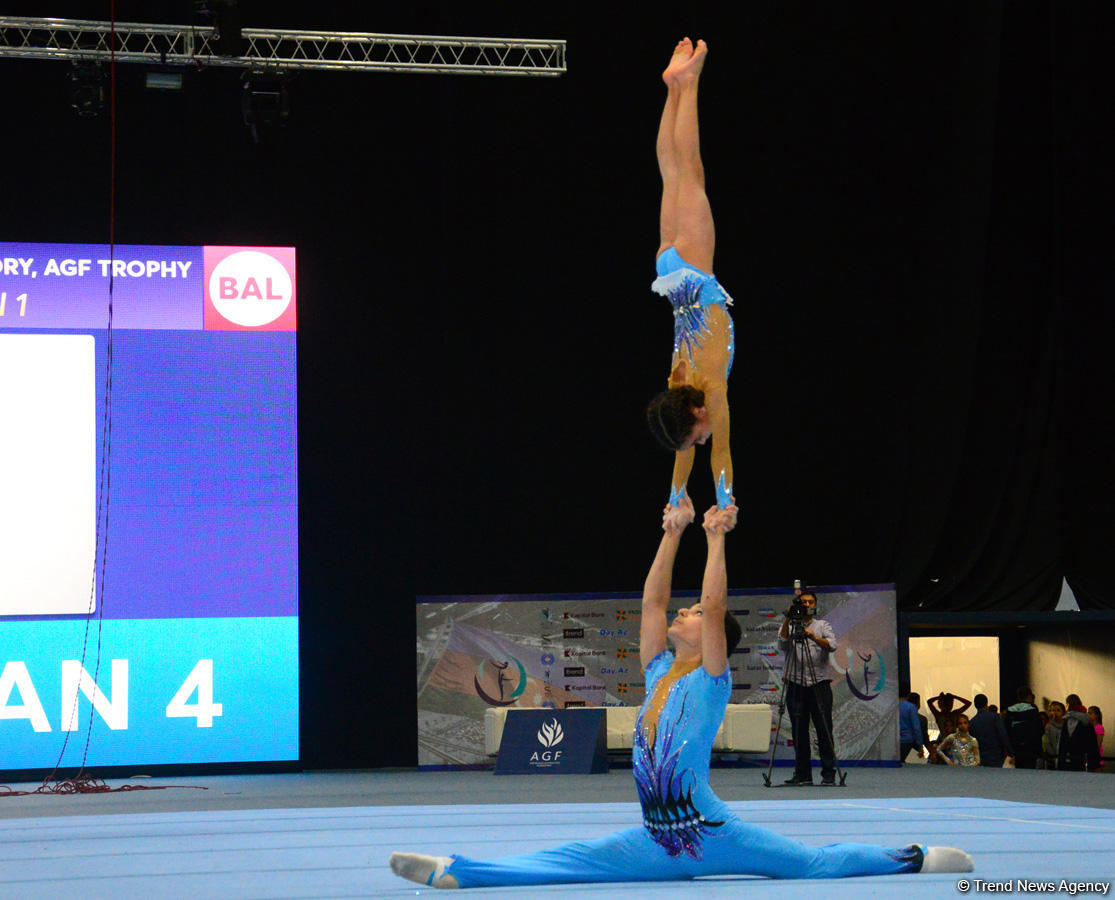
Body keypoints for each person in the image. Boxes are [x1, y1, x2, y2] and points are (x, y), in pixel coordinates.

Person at [389, 439, 971, 885]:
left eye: (691, 614)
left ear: (709, 634)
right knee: (566, 861)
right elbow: (651, 602)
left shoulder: (710, 677)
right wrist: (674, 532)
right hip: (656, 840)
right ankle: (458, 870)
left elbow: (715, 607)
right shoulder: (656, 672)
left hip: (714, 832)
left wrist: (717, 540)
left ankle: (916, 858)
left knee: (813, 864)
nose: (685, 613)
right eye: (687, 611)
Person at [643, 37, 734, 518]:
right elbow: (687, 447)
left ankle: (689, 83)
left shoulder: (712, 393)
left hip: (695, 275)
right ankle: (673, 89)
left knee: (690, 172)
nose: (702, 438)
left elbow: (717, 452)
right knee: (670, 173)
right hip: (669, 275)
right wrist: (675, 495)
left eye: (696, 432)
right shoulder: (678, 382)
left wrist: (725, 501)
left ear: (696, 415)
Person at [777, 590, 837, 785]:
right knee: (798, 731)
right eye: (804, 603)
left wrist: (813, 637)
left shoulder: (822, 625)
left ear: (815, 605)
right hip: (795, 683)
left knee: (824, 730)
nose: (808, 605)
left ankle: (829, 774)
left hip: (819, 683)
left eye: (811, 602)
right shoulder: (790, 625)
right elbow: (782, 643)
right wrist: (788, 618)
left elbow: (832, 645)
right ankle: (802, 775)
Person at [968, 694, 1013, 768]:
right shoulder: (994, 717)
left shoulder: (972, 722)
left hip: (980, 757)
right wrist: (1011, 753)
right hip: (995, 755)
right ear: (987, 703)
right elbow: (1003, 735)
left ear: (975, 705)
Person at [1004, 686, 1043, 769]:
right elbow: (1039, 731)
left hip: (1015, 747)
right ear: (1029, 696)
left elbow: (1006, 730)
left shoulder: (1010, 710)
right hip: (1030, 748)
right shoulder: (1033, 710)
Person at [1059, 695, 1101, 772]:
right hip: (1082, 757)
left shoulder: (1066, 719)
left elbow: (1063, 741)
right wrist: (1095, 762)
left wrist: (1061, 760)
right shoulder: (1086, 719)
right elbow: (1092, 743)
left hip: (1069, 757)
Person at [899, 688, 927, 762]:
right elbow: (916, 728)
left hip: (894, 742)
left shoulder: (893, 706)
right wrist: (920, 746)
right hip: (907, 742)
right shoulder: (911, 707)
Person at [1043, 701, 1066, 769]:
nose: (1055, 712)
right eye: (1053, 710)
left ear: (1063, 712)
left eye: (1058, 710)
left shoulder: (1066, 726)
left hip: (1064, 758)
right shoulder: (1049, 726)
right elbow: (1047, 743)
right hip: (1051, 759)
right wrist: (1054, 756)